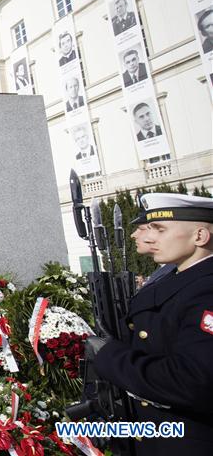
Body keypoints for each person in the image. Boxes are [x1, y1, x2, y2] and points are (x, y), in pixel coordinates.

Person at [91, 193, 213, 455]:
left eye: (160, 229)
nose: (148, 237)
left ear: (200, 236)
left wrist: (111, 357)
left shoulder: (206, 288)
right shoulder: (177, 277)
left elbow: (191, 381)